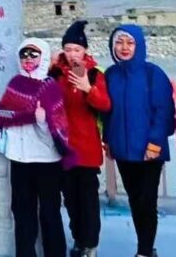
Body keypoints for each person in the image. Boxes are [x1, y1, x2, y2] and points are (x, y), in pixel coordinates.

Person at [0, 38, 70, 257]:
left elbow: (58, 134)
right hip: (20, 160)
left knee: (50, 214)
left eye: (33, 54)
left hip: (46, 161)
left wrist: (42, 122)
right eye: (24, 54)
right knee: (22, 214)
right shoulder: (15, 85)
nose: (28, 59)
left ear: (43, 57)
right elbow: (5, 115)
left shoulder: (50, 88)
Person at [103, 25, 175, 257]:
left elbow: (164, 111)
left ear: (139, 45)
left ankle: (144, 251)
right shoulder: (111, 75)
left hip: (149, 150)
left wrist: (155, 143)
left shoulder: (153, 74)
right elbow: (107, 111)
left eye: (130, 42)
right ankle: (145, 246)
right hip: (122, 150)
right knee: (135, 199)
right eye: (119, 42)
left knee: (147, 200)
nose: (124, 47)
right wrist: (108, 140)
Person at [49, 21, 111, 257]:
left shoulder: (94, 74)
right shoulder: (55, 74)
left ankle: (90, 244)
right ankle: (78, 239)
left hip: (87, 150)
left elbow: (105, 105)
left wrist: (88, 89)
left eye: (77, 49)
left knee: (88, 201)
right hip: (63, 149)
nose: (73, 54)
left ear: (85, 51)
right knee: (71, 200)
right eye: (68, 49)